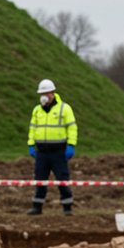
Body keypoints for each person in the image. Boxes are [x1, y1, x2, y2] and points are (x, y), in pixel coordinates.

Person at [26, 79, 78, 215]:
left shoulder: (64, 108)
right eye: (41, 93)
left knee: (62, 178)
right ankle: (37, 206)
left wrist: (71, 145)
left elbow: (72, 128)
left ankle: (67, 207)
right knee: (40, 179)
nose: (44, 96)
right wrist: (31, 144)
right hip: (42, 152)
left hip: (59, 151)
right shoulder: (37, 110)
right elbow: (32, 128)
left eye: (46, 93)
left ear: (52, 93)